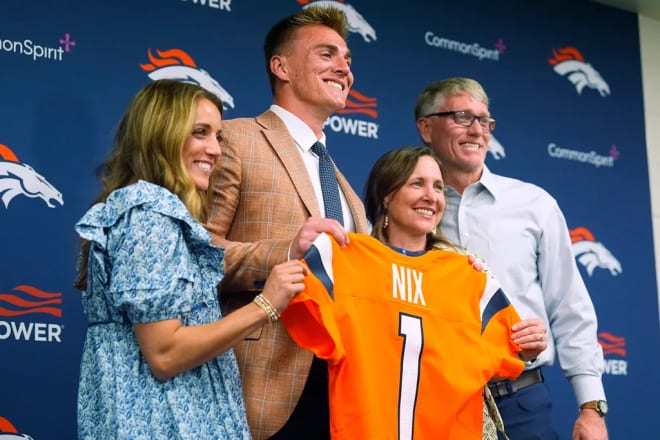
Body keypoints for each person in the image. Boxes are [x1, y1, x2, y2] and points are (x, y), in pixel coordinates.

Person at [73, 79, 306, 439]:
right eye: (200, 133)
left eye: (218, 137)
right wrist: (266, 305)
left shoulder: (146, 210)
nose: (214, 150)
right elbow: (165, 354)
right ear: (162, 133)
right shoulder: (149, 215)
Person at [280, 146, 548, 439]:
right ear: (387, 194)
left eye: (438, 187)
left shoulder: (469, 276)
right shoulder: (343, 262)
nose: (431, 196)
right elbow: (288, 305)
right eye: (416, 183)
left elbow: (506, 353)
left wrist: (525, 343)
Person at [205, 5, 369, 440]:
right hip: (262, 385)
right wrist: (286, 251)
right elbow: (193, 254)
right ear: (281, 67)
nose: (344, 68)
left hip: (343, 389)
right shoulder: (234, 138)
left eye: (348, 59)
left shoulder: (339, 179)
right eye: (326, 55)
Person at [415, 77, 608, 440]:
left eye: (485, 121)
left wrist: (591, 408)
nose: (477, 130)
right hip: (432, 404)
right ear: (426, 127)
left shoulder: (534, 204)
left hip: (520, 403)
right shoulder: (402, 207)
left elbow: (570, 307)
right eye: (461, 117)